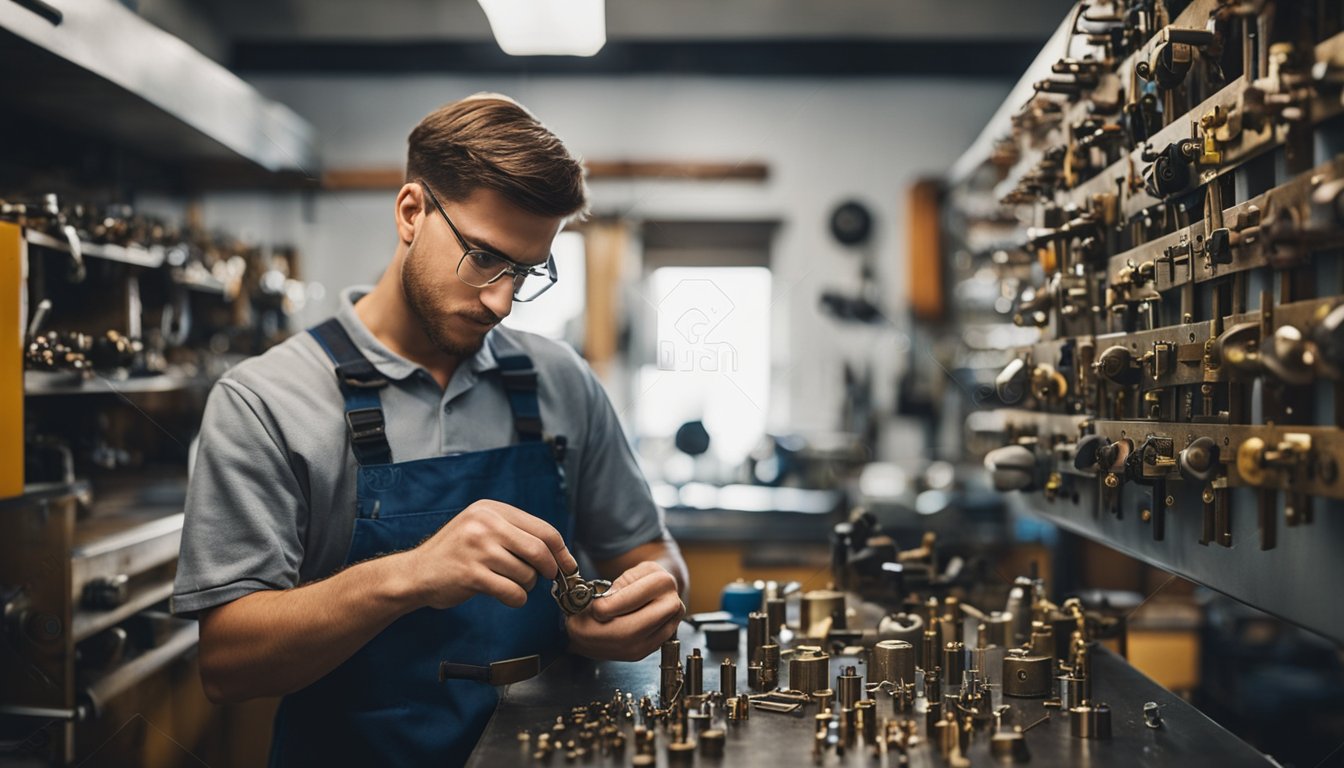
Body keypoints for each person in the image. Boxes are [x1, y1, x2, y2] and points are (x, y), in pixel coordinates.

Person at [171, 93, 688, 767]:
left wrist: (649, 599)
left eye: (527, 272)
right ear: (411, 211)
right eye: (483, 257)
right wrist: (409, 575)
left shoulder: (563, 381)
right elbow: (229, 664)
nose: (501, 300)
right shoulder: (266, 402)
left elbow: (650, 553)